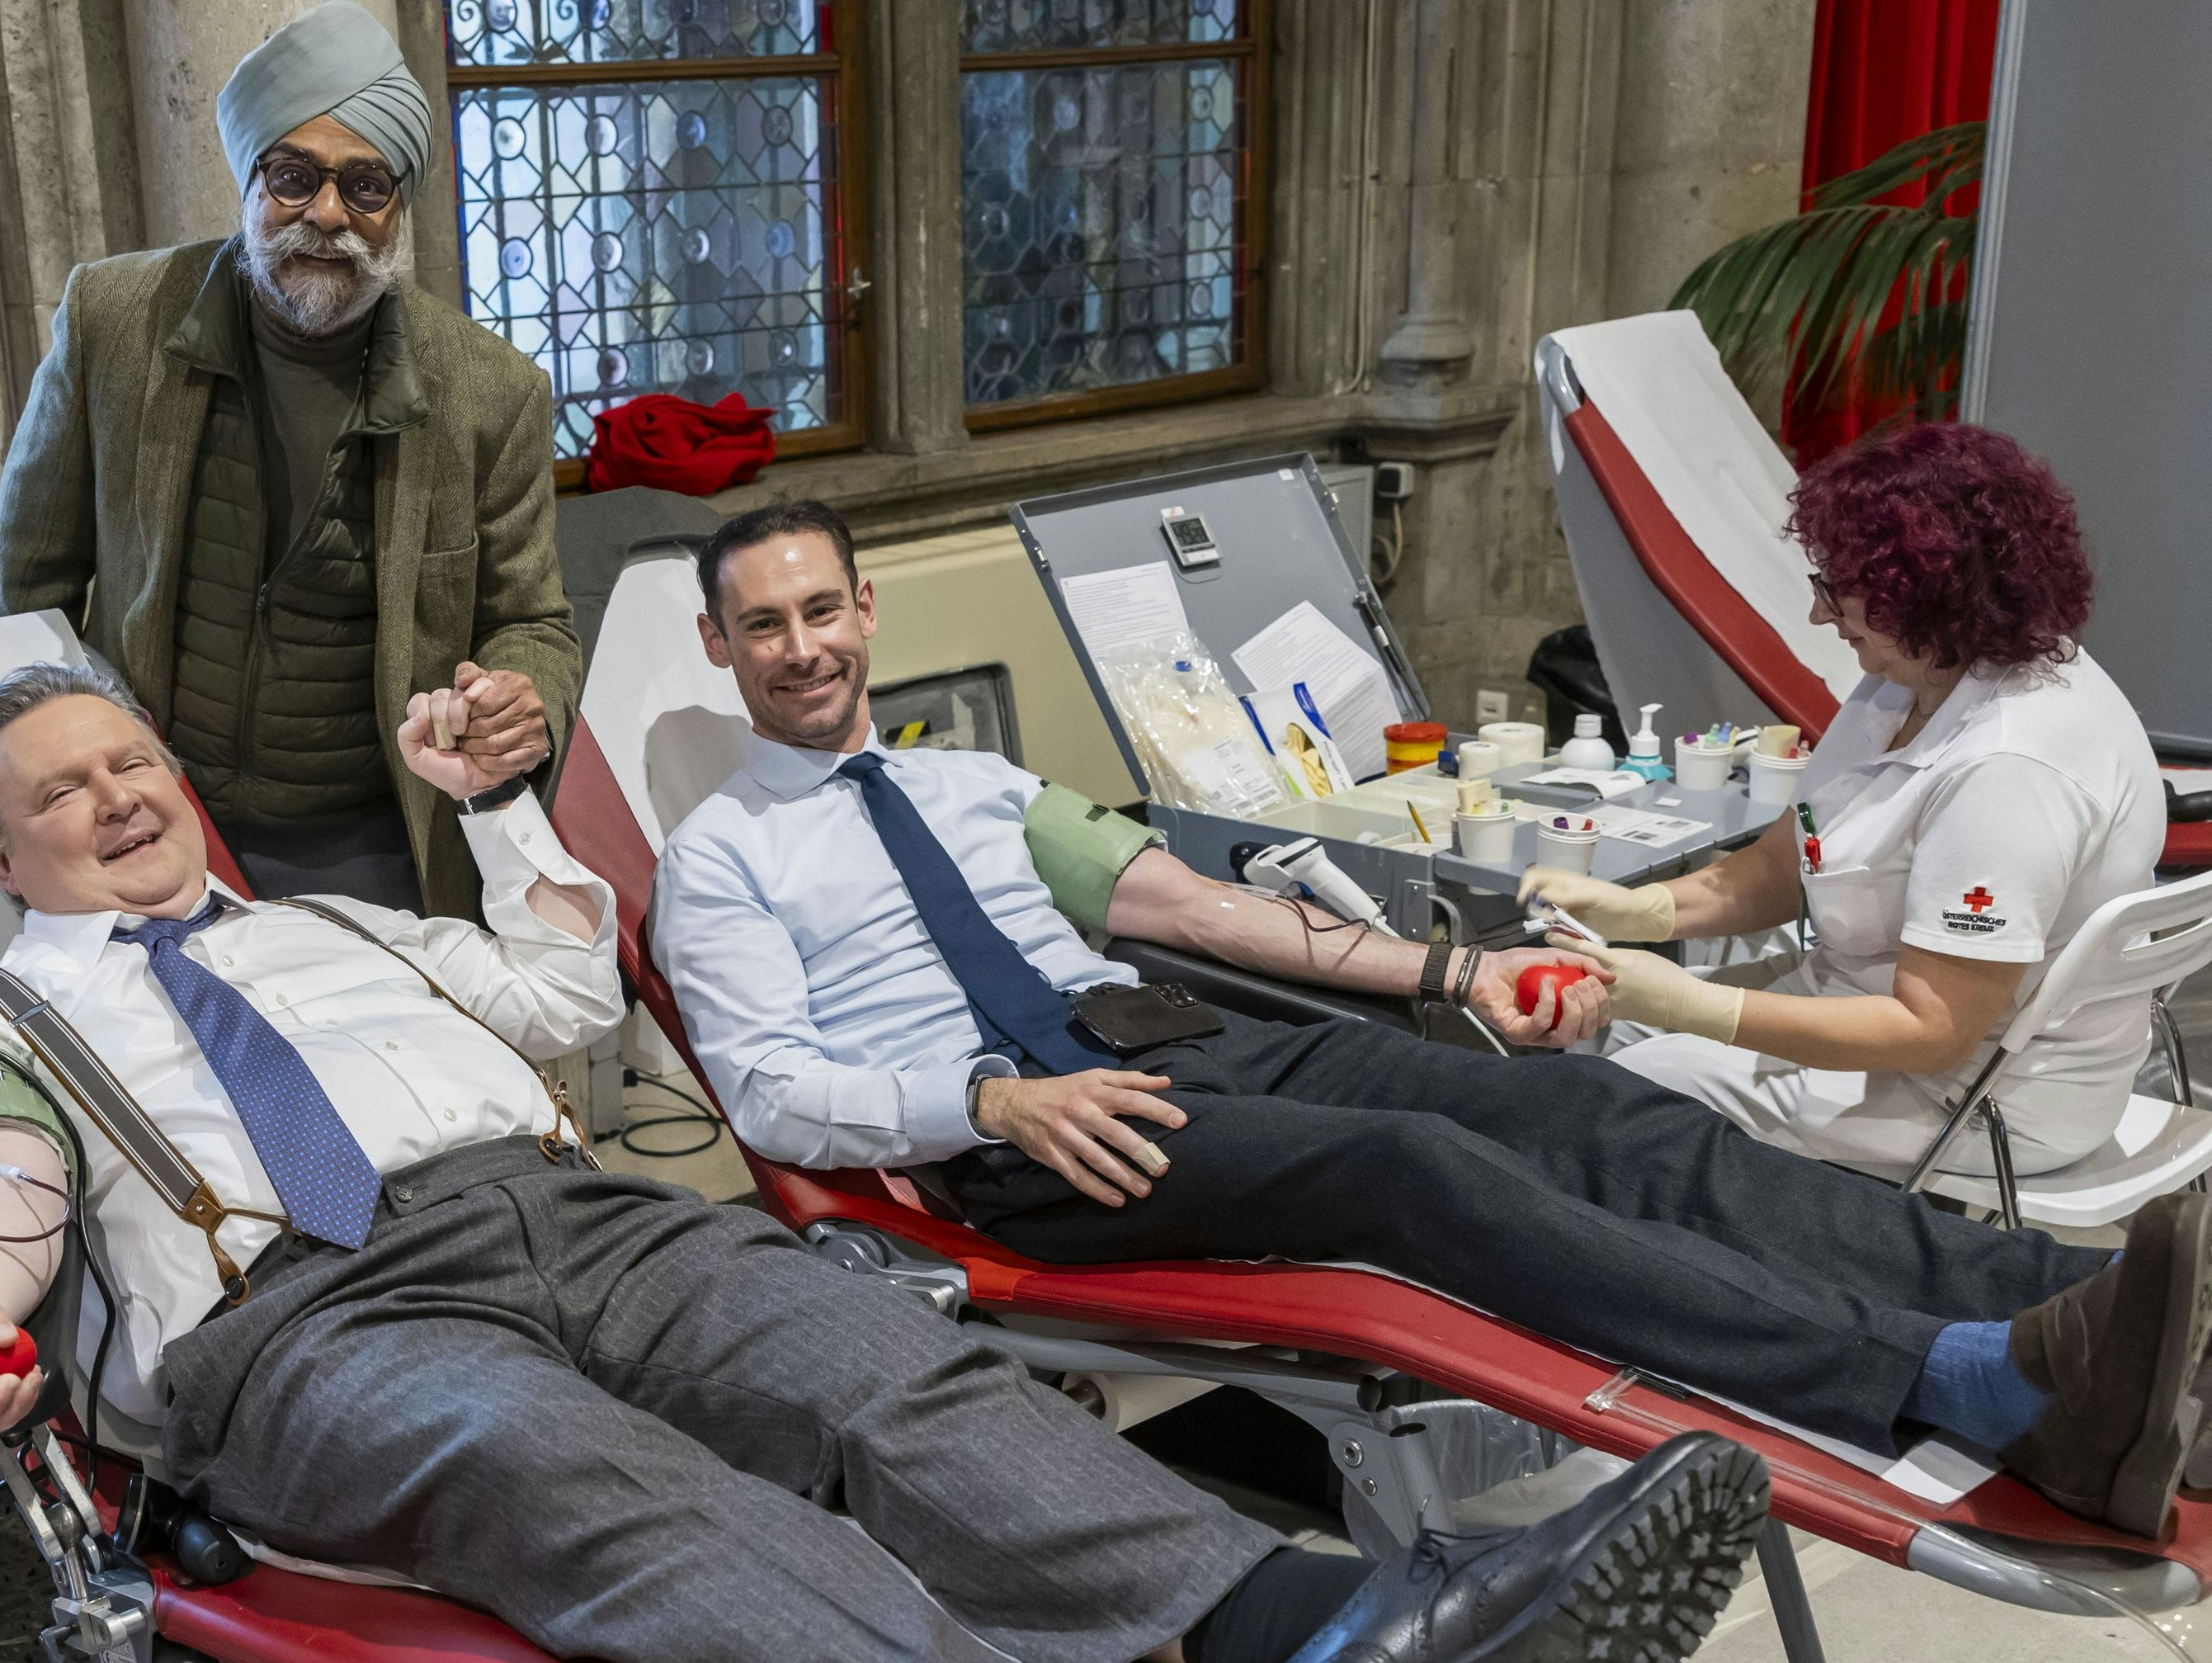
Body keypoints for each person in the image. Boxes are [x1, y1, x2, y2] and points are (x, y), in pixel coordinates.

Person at [0, 659, 1775, 1663]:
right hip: (306, 1315)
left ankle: (1316, 1640)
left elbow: (563, 988)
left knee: (861, 1356)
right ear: (4, 855)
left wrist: (492, 806)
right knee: (552, 1458)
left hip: (574, 1215)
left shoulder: (347, 926)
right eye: (61, 792)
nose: (116, 798)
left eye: (130, 759)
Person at [652, 498, 2212, 1542]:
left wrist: (1455, 977)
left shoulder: (975, 783)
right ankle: (1967, 1380)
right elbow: (774, 1093)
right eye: (762, 626)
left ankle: (2085, 1307)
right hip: (1037, 1134)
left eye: (821, 609)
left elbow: (1199, 911)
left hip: (1172, 1032)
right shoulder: (717, 861)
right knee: (1416, 1170)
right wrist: (990, 1106)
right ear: (721, 647)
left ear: (865, 608)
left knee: (1593, 1108)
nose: (803, 649)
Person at [0, 1, 578, 919]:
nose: (327, 215)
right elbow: (30, 593)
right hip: (148, 822)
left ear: (399, 207)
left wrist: (522, 693)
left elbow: (531, 618)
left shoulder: (491, 392)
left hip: (372, 838)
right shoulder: (114, 322)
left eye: (366, 186)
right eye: (295, 177)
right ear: (250, 180)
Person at [1521, 423, 2167, 1178]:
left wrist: (1691, 1005)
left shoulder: (2009, 767)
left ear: (1920, 591)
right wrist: (1645, 909)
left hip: (1979, 1094)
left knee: (1611, 1098)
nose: (1819, 616)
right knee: (1616, 1035)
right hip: (1881, 1012)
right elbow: (1792, 859)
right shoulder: (1916, 676)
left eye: (1836, 590)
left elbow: (1933, 1030)